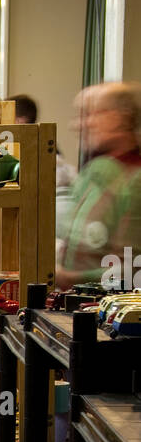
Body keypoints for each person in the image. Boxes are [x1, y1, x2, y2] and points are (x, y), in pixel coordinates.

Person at [56, 82, 141, 289]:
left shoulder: (134, 179)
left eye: (88, 114)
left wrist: (67, 278)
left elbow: (133, 269)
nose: (77, 125)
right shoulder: (92, 172)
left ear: (119, 118)